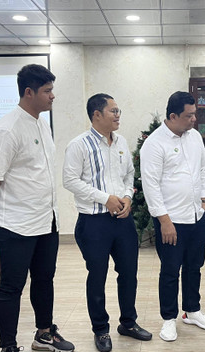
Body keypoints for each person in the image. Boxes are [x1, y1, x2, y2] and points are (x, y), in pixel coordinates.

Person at [0, 64, 75, 352]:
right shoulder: (6, 129)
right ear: (29, 92)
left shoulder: (41, 123)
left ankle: (44, 334)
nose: (52, 96)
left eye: (52, 90)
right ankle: (8, 345)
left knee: (44, 280)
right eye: (47, 91)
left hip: (46, 220)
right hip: (16, 224)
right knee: (12, 287)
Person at [63, 93, 152, 352]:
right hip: (94, 223)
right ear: (96, 115)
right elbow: (70, 180)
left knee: (128, 273)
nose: (118, 115)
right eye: (113, 111)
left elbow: (129, 174)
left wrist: (125, 196)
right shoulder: (78, 145)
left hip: (122, 220)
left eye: (118, 110)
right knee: (97, 275)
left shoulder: (121, 142)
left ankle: (128, 322)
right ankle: (100, 329)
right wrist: (105, 199)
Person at [140, 91, 205, 342]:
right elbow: (150, 186)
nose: (194, 119)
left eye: (195, 114)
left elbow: (203, 168)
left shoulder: (194, 137)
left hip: (197, 215)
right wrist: (164, 221)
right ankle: (169, 318)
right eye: (189, 115)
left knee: (195, 266)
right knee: (171, 270)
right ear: (173, 116)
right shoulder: (154, 143)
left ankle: (192, 310)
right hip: (171, 221)